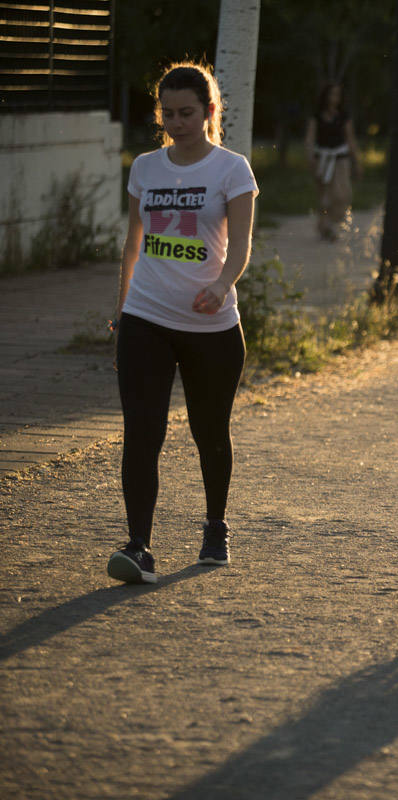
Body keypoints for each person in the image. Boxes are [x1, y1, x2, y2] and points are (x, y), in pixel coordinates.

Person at [107, 62, 258, 584]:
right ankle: (139, 547)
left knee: (209, 432)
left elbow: (241, 244)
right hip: (145, 317)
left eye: (187, 113)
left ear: (210, 111)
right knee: (141, 432)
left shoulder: (232, 169)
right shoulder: (145, 168)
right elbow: (133, 242)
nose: (176, 123)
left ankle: (215, 526)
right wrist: (122, 310)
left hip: (211, 328)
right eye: (167, 114)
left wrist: (221, 285)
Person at [304, 83, 359, 241]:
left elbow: (350, 139)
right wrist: (310, 158)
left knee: (342, 194)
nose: (334, 98)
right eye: (331, 94)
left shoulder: (343, 116)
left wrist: (357, 161)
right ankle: (326, 226)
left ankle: (332, 222)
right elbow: (310, 138)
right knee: (324, 196)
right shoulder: (317, 116)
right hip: (322, 159)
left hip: (340, 159)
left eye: (337, 95)